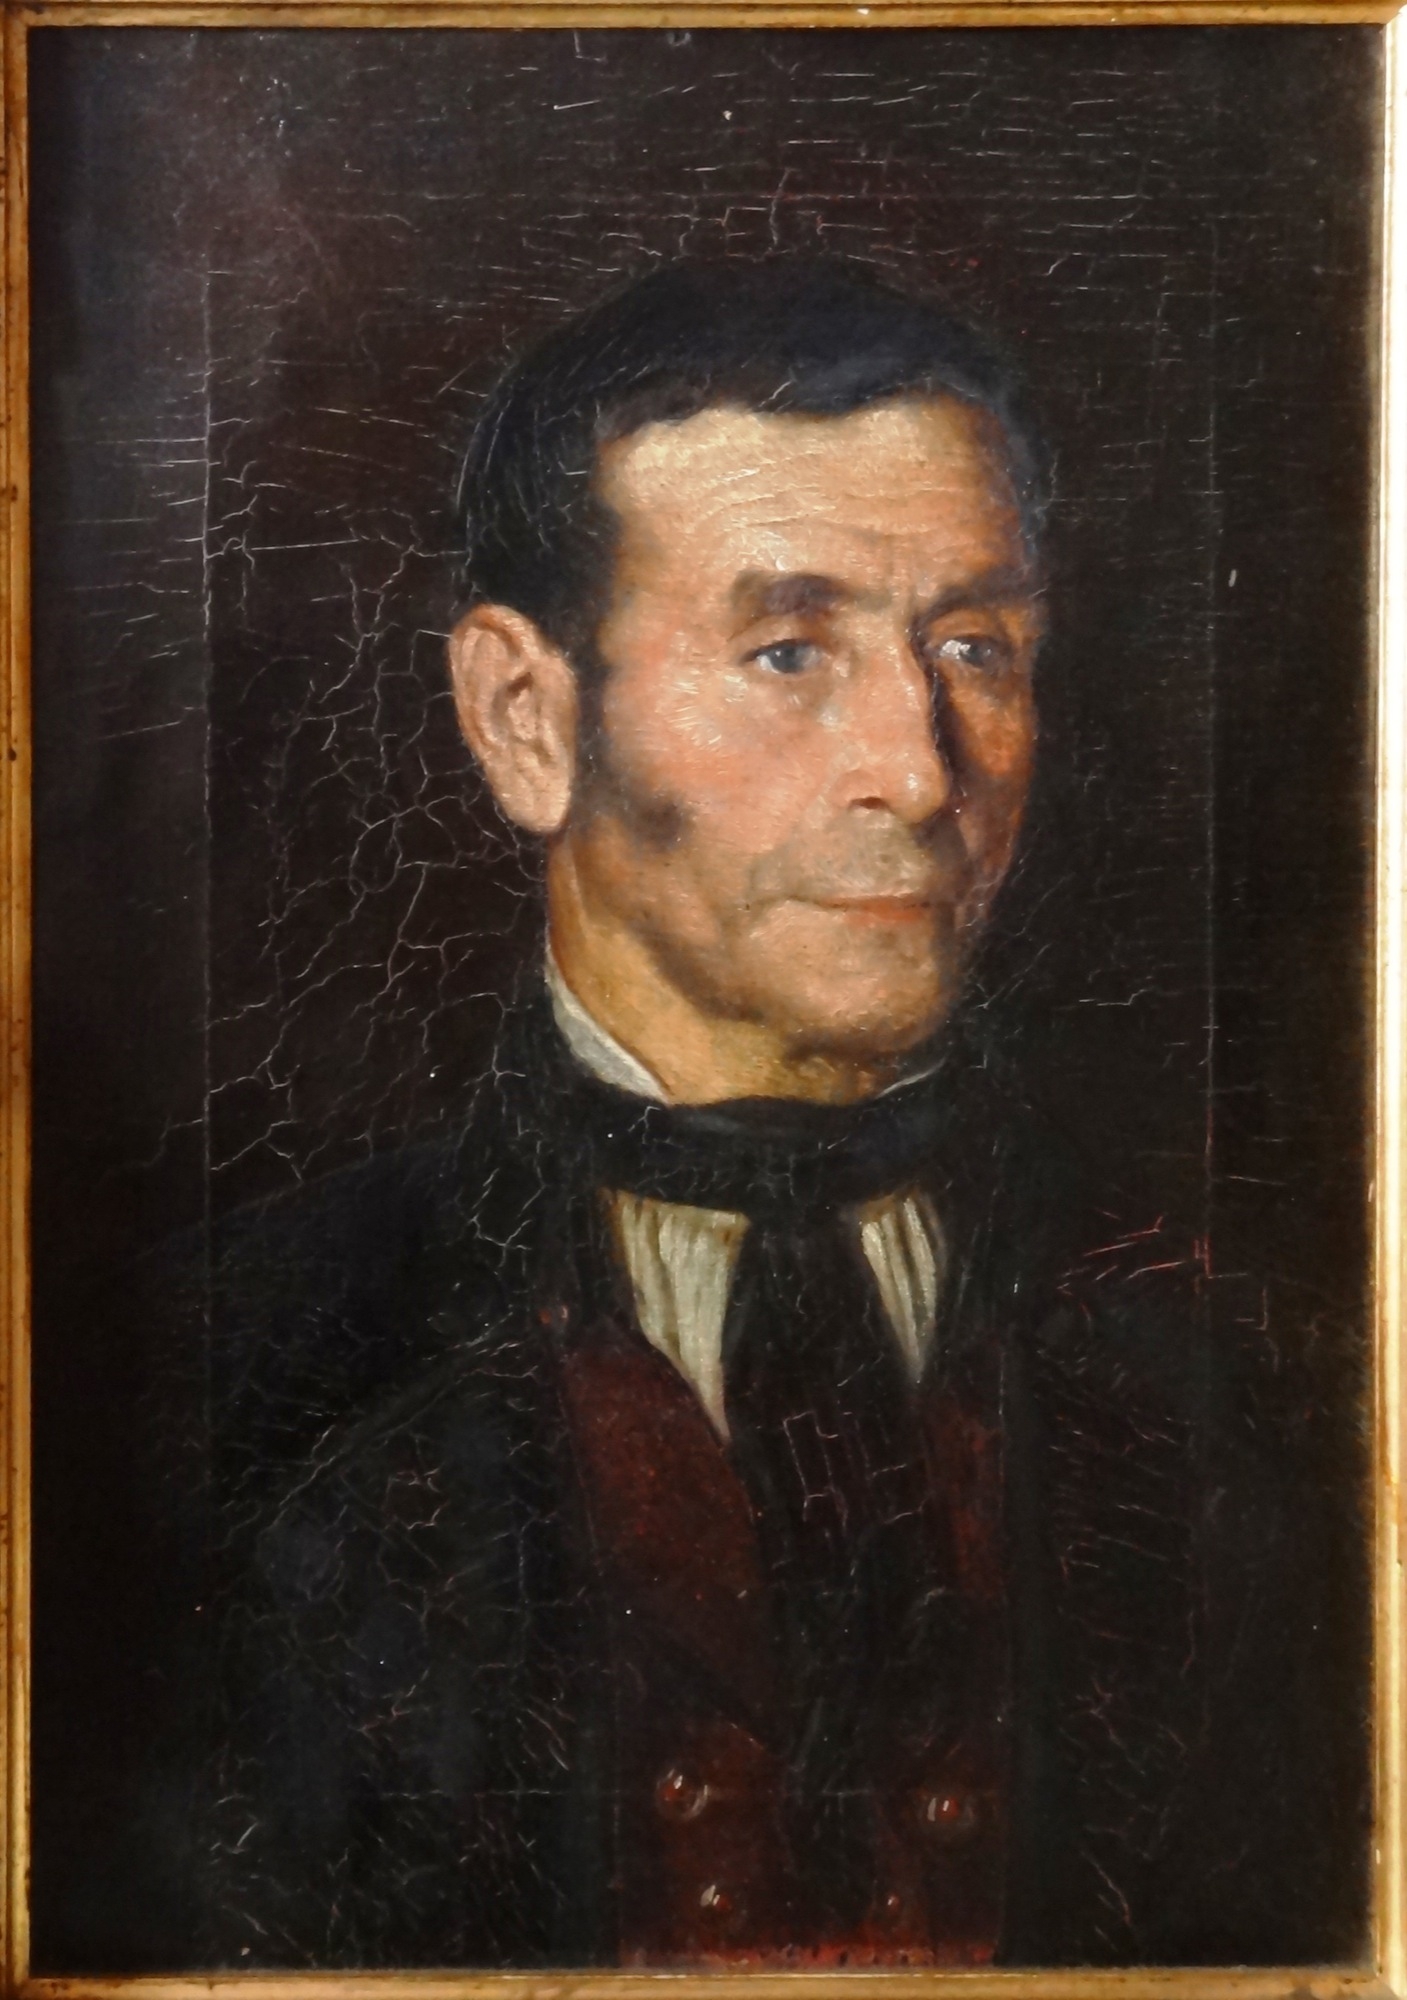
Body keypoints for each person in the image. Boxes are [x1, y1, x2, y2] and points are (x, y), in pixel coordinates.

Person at [185, 260, 1347, 1970]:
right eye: (789, 649)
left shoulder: (1247, 1375)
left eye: (974, 648)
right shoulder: (224, 1386)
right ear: (525, 719)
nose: (921, 770)